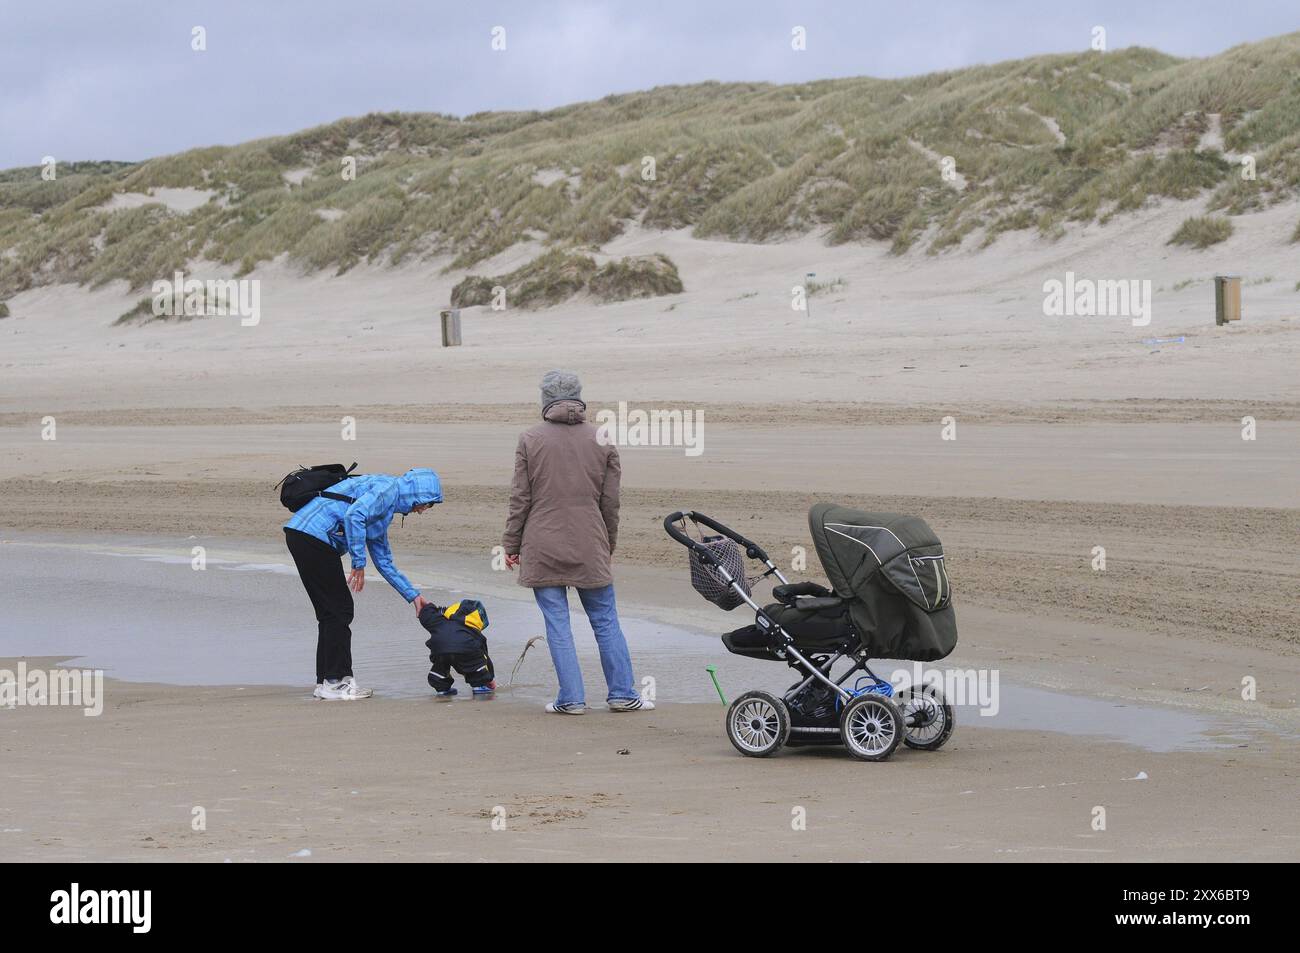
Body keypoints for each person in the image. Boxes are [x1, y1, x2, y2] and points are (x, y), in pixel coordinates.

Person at [502, 371, 651, 715]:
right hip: (590, 542)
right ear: (579, 399)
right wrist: (607, 544)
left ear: (544, 401)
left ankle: (571, 699)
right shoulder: (601, 438)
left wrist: (511, 543)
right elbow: (610, 503)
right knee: (605, 620)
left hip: (542, 542)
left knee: (557, 624)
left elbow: (519, 499)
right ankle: (622, 694)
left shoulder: (529, 439)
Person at [284, 467, 442, 700]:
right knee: (339, 610)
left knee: (331, 612)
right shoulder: (387, 490)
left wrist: (413, 596)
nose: (424, 510)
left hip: (303, 536)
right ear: (418, 493)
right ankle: (335, 682)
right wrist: (358, 563)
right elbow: (354, 515)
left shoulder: (384, 509)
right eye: (428, 503)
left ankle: (328, 682)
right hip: (311, 537)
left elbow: (384, 561)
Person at [419, 599, 496, 698]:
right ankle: (479, 686)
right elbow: (485, 656)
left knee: (440, 665)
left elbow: (426, 616)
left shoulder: (440, 620)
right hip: (466, 647)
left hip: (439, 648)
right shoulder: (473, 631)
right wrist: (490, 678)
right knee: (476, 663)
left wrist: (427, 606)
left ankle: (442, 688)